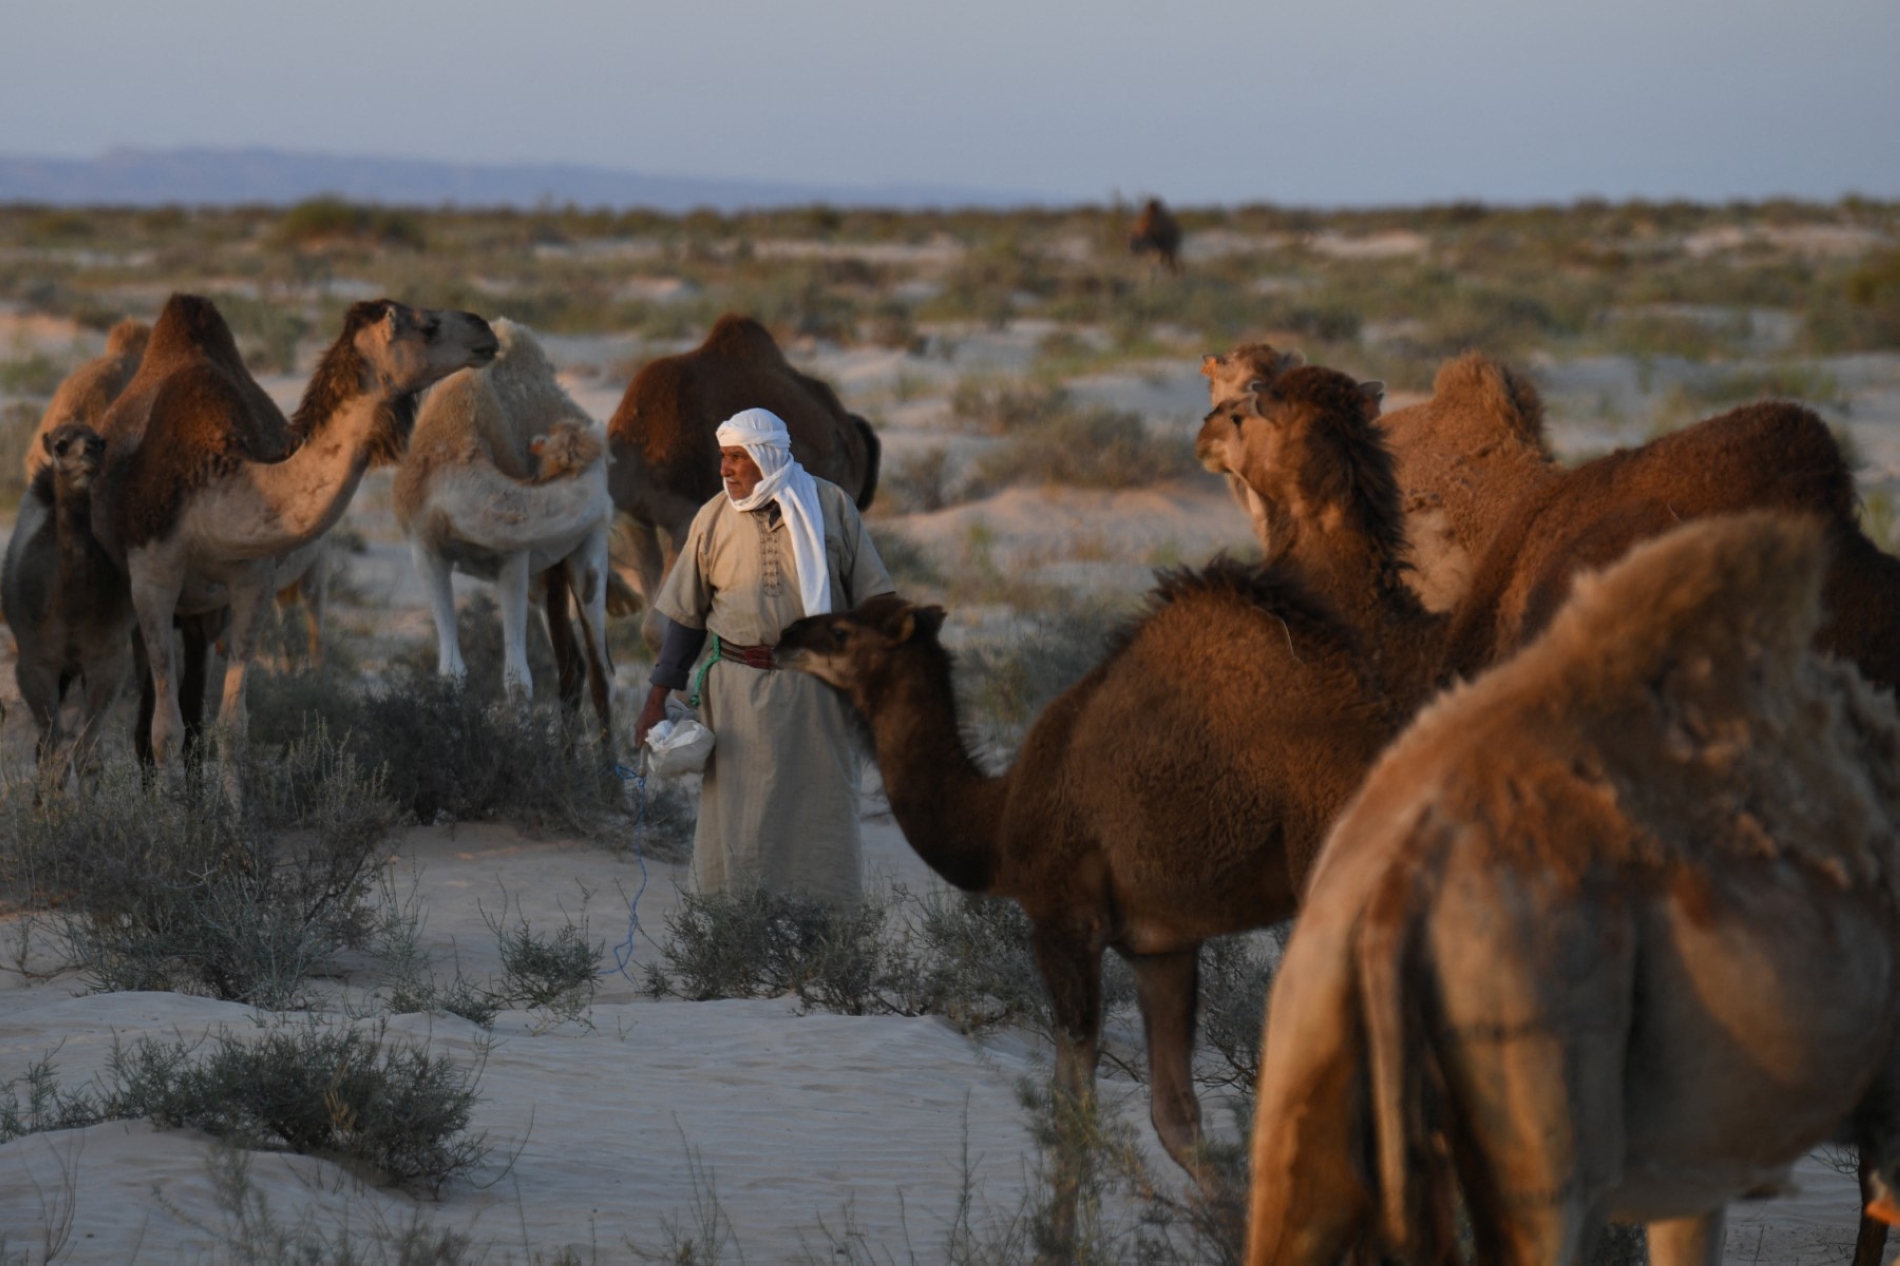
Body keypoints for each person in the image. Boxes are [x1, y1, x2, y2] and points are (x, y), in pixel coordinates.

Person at [633, 407, 894, 905]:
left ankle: (822, 927)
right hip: (736, 696)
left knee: (820, 811)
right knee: (739, 817)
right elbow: (685, 619)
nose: (725, 469)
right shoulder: (712, 517)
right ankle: (737, 930)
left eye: (736, 458)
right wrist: (655, 699)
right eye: (723, 458)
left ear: (765, 455)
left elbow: (876, 602)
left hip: (817, 691)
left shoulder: (832, 506)